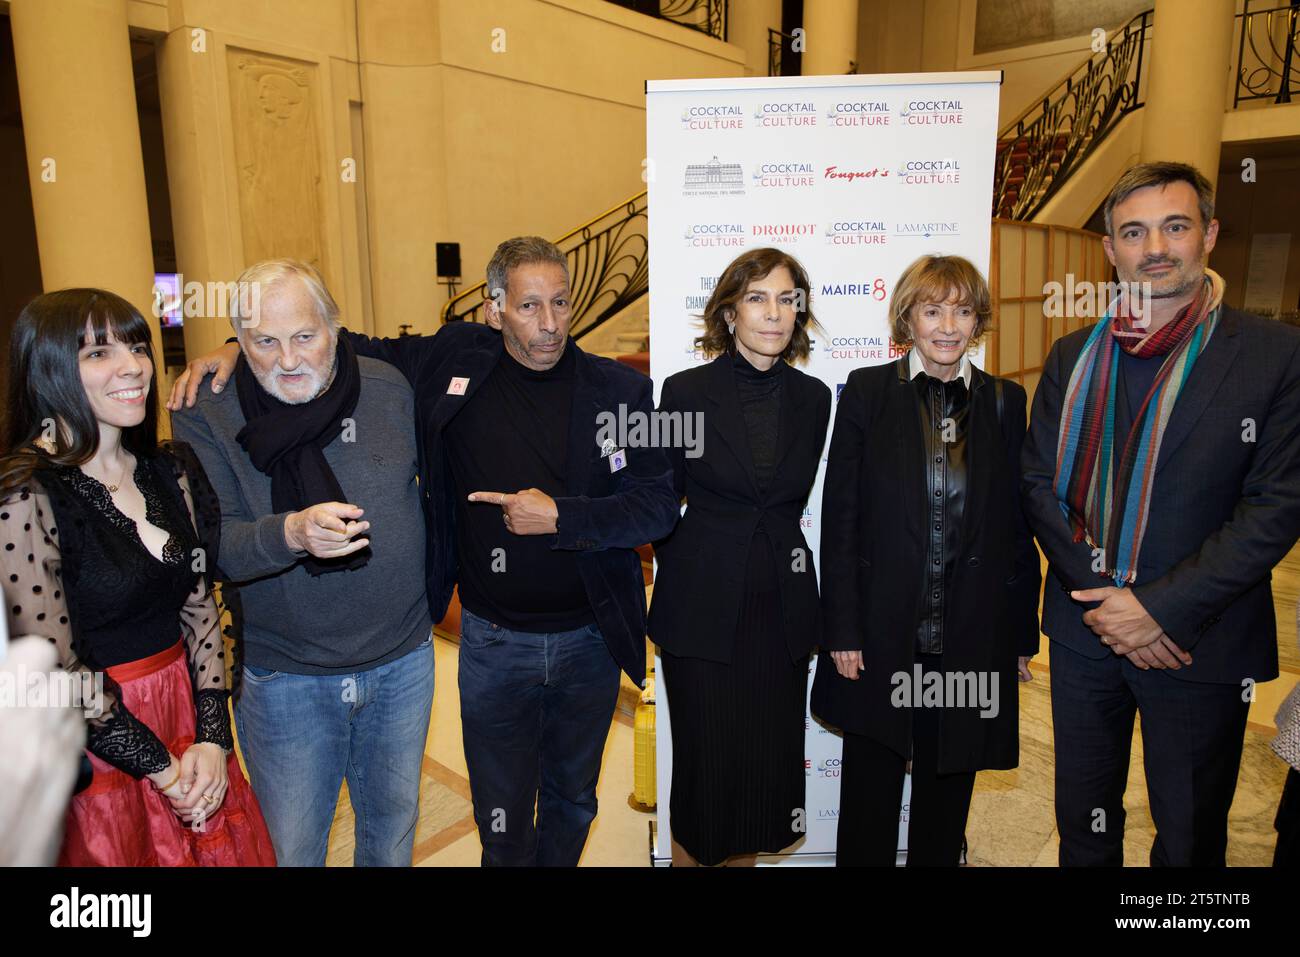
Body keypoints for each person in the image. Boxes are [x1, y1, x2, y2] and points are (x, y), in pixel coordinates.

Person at [170, 237, 679, 866]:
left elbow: (658, 504)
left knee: (573, 799)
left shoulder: (623, 390)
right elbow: (338, 342)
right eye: (527, 306)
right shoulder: (451, 362)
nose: (548, 324)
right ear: (494, 311)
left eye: (560, 303)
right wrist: (236, 349)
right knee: (502, 811)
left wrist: (562, 516)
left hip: (592, 638)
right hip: (492, 641)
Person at [1021, 161, 1300, 866]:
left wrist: (1158, 608)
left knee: (1188, 836)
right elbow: (1038, 483)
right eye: (1134, 231)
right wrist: (1113, 604)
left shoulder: (1275, 355)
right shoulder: (1071, 355)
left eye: (1174, 227)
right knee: (1083, 825)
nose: (1155, 247)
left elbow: (1276, 504)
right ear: (1110, 249)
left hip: (1202, 641)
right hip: (1086, 636)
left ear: (1206, 234)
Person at [169, 260, 434, 867]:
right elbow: (212, 547)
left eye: (304, 337)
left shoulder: (390, 388)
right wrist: (290, 533)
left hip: (404, 664)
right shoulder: (204, 410)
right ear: (239, 339)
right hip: (286, 679)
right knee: (291, 851)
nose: (288, 360)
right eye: (264, 341)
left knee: (391, 841)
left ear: (335, 330)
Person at [0, 288, 275, 866]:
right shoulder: (26, 497)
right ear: (48, 371)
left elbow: (200, 606)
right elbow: (59, 674)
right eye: (99, 353)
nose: (134, 367)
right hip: (100, 744)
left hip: (184, 714)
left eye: (137, 346)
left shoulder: (170, 468)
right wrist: (164, 771)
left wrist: (212, 736)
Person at [811, 255, 1040, 866]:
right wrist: (842, 627)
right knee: (869, 802)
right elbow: (842, 520)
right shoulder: (867, 391)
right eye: (932, 309)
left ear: (978, 321)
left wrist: (1019, 635)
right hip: (882, 637)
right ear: (907, 317)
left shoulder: (1004, 402)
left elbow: (1018, 529)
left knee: (947, 799)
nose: (948, 326)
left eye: (963, 311)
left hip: (967, 639)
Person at [649, 247, 830, 866]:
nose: (774, 313)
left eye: (787, 299)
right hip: (700, 614)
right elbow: (654, 500)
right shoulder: (684, 391)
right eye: (757, 298)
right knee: (704, 775)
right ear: (730, 313)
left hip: (779, 615)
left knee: (760, 782)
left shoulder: (815, 398)